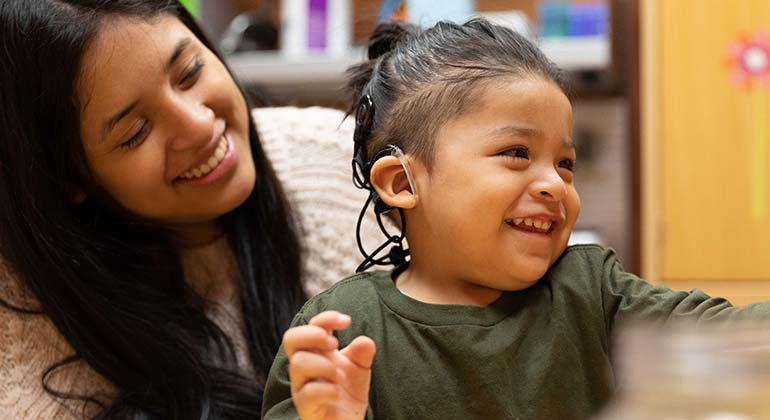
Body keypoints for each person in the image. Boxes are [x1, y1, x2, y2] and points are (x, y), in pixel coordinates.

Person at [261, 19, 770, 420]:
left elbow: (729, 336)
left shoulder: (593, 290)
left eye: (565, 163)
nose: (555, 184)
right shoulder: (342, 332)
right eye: (516, 152)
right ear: (401, 182)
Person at [0, 1, 338, 418]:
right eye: (136, 132)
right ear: (69, 179)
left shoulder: (347, 160)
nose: (197, 126)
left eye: (189, 72)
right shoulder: (25, 372)